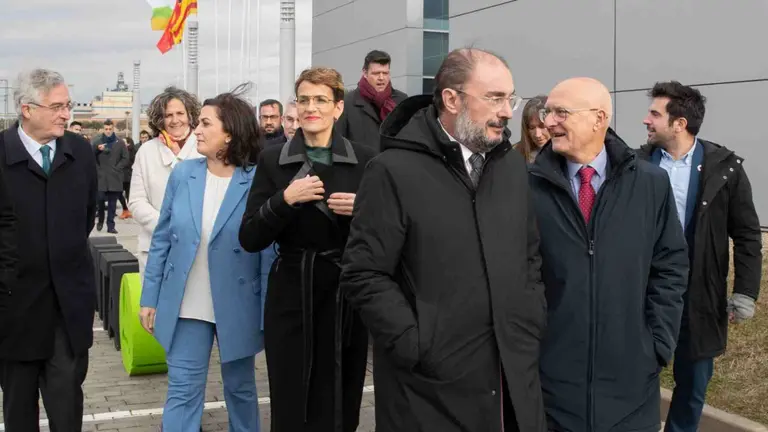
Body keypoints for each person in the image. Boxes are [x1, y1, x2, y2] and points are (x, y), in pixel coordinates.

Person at [340, 47, 547, 431]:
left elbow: (529, 256)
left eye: (510, 98)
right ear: (451, 99)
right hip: (427, 391)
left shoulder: (511, 167)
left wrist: (529, 321)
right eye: (495, 98)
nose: (507, 112)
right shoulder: (392, 171)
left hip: (511, 378)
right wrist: (414, 342)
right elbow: (364, 273)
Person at [529, 77, 689, 432]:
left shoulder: (650, 184)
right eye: (547, 112)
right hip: (552, 388)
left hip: (631, 387)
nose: (548, 121)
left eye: (561, 112)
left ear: (599, 119)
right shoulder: (526, 188)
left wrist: (657, 345)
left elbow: (670, 267)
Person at [239, 67, 376, 432]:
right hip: (291, 294)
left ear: (338, 107)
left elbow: (386, 235)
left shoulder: (366, 159)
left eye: (320, 100)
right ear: (295, 106)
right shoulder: (272, 160)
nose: (311, 107)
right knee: (289, 393)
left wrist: (363, 210)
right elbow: (250, 237)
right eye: (304, 100)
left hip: (344, 294)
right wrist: (285, 200)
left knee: (341, 393)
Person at [140, 85, 275, 432]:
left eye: (205, 124)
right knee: (183, 390)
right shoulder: (184, 174)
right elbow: (162, 240)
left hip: (239, 302)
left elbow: (266, 250)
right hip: (187, 304)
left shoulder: (258, 179)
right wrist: (149, 297)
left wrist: (266, 312)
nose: (195, 130)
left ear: (229, 134)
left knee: (241, 390)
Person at [636, 81, 763, 432]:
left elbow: (748, 234)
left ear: (679, 123)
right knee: (638, 374)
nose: (645, 120)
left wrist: (745, 292)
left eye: (654, 114)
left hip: (701, 294)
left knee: (692, 384)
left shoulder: (726, 168)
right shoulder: (635, 165)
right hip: (644, 291)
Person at [0, 68, 98, 431]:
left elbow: (86, 216)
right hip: (14, 310)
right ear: (27, 109)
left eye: (67, 105)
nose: (65, 114)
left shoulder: (80, 153)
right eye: (56, 106)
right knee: (19, 413)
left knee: (66, 408)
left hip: (67, 307)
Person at [129, 86, 202, 278]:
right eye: (168, 115)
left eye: (180, 113)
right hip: (155, 246)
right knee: (155, 307)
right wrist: (167, 226)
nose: (175, 120)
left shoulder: (204, 147)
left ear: (191, 115)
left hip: (198, 248)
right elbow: (136, 202)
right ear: (160, 119)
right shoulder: (146, 151)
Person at [335, 50, 407, 151]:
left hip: (393, 164)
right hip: (362, 165)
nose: (381, 78)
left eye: (385, 73)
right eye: (376, 73)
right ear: (365, 73)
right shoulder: (347, 103)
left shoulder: (401, 100)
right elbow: (339, 142)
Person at [93, 119, 129, 233]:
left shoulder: (120, 142)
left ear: (113, 129)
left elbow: (125, 158)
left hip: (115, 177)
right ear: (103, 129)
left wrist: (118, 167)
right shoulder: (97, 141)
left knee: (113, 203)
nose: (108, 131)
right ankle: (100, 221)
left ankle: (111, 226)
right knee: (100, 200)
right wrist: (98, 152)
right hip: (101, 177)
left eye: (110, 129)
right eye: (106, 129)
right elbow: (91, 156)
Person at [513, 95, 550, 164]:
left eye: (542, 126)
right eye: (532, 128)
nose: (537, 134)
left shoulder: (567, 154)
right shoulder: (514, 155)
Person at [118, 137, 138, 219]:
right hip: (120, 176)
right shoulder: (121, 151)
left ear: (129, 143)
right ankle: (125, 209)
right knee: (118, 193)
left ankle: (130, 211)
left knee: (129, 195)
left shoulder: (132, 152)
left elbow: (130, 163)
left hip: (129, 176)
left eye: (124, 142)